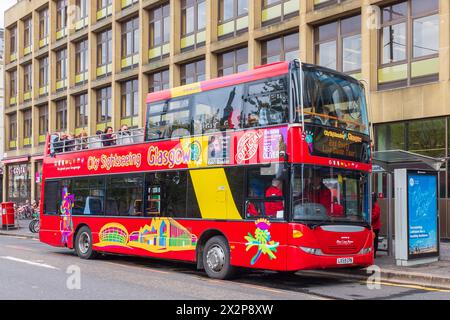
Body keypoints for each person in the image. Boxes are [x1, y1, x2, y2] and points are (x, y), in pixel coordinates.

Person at [372, 193, 381, 258]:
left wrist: (369, 219)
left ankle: (374, 252)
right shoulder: (375, 205)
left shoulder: (376, 206)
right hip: (374, 226)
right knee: (374, 240)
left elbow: (375, 215)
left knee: (374, 240)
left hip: (375, 226)